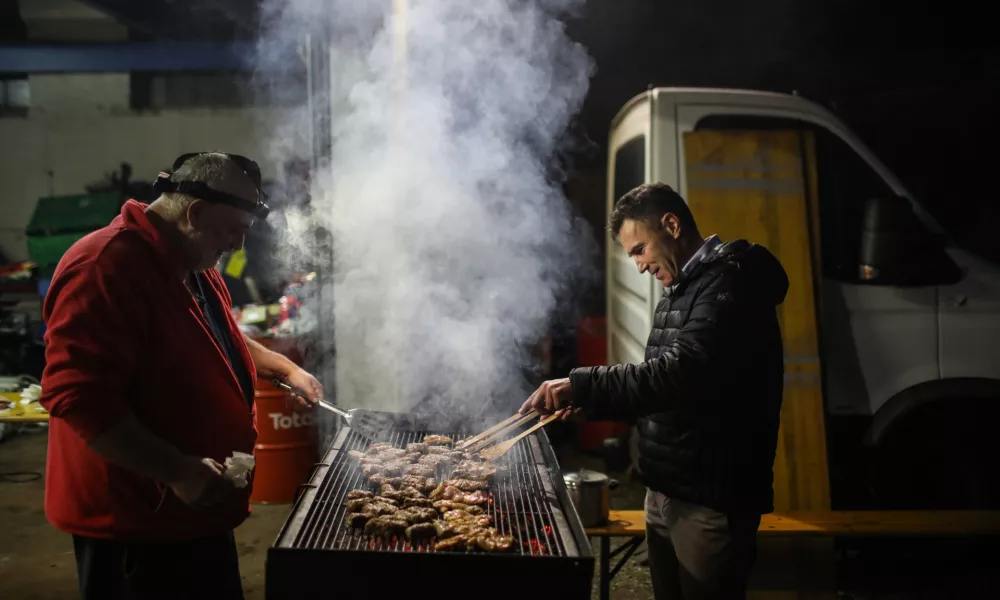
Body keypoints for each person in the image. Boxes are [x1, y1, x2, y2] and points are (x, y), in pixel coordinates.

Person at [39, 152, 325, 600]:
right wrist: (177, 470)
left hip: (193, 503)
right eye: (235, 230)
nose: (237, 246)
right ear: (194, 212)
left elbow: (217, 334)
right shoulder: (104, 267)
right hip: (137, 517)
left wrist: (283, 367)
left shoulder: (189, 261)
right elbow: (77, 397)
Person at [521, 182, 788, 599]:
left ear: (672, 224)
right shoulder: (680, 290)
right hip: (666, 488)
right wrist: (588, 403)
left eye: (639, 250)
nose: (640, 266)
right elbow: (664, 393)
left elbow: (677, 374)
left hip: (709, 497)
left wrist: (581, 383)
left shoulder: (728, 285)